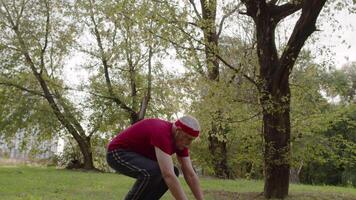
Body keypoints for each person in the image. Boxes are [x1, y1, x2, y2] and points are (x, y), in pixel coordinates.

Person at [106, 115, 204, 200]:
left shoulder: (180, 140)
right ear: (178, 131)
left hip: (137, 155)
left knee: (172, 171)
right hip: (117, 152)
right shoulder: (162, 132)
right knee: (154, 172)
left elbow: (190, 174)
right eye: (189, 139)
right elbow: (168, 175)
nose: (189, 144)